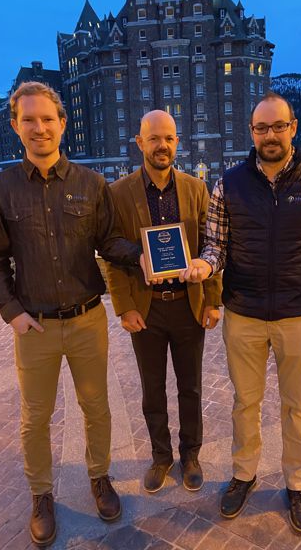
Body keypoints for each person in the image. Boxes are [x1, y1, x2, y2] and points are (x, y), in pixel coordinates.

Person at [0, 82, 143, 547]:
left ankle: (99, 478)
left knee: (97, 407)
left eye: (47, 118)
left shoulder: (92, 185)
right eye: (28, 119)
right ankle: (41, 494)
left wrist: (146, 256)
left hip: (88, 319)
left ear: (62, 123)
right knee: (35, 416)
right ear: (15, 126)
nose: (39, 128)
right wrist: (11, 311)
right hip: (34, 327)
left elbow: (109, 243)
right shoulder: (0, 189)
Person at [180, 92, 301, 534]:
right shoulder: (228, 184)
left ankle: (297, 483)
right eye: (261, 128)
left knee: (298, 406)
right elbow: (217, 245)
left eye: (278, 126)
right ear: (251, 132)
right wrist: (204, 264)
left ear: (294, 128)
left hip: (300, 315)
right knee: (245, 403)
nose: (270, 135)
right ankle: (244, 474)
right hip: (245, 315)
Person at [105, 110, 222, 493]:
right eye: (154, 138)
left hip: (188, 304)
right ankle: (160, 456)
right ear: (140, 143)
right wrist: (125, 307)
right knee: (152, 389)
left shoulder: (195, 188)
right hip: (148, 307)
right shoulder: (119, 193)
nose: (162, 145)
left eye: (169, 138)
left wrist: (212, 301)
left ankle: (191, 455)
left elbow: (212, 247)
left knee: (191, 388)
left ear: (178, 141)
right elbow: (111, 250)